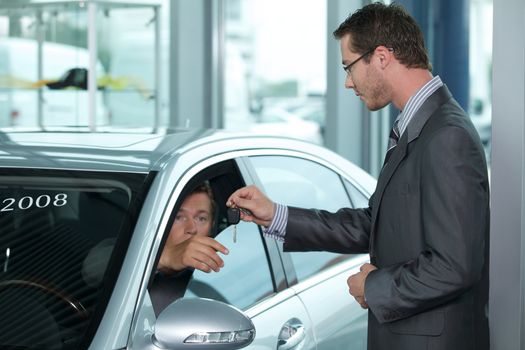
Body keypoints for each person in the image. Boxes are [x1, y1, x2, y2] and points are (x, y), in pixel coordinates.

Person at [227, 3, 490, 350]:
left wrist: (374, 287)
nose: (348, 83)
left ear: (381, 56)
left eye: (349, 67)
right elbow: (376, 224)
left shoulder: (446, 136)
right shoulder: (420, 127)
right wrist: (277, 215)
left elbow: (455, 266)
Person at [150, 182, 229, 315]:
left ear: (212, 226)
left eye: (201, 218)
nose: (191, 229)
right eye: (179, 217)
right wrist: (164, 257)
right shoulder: (118, 252)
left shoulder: (216, 285)